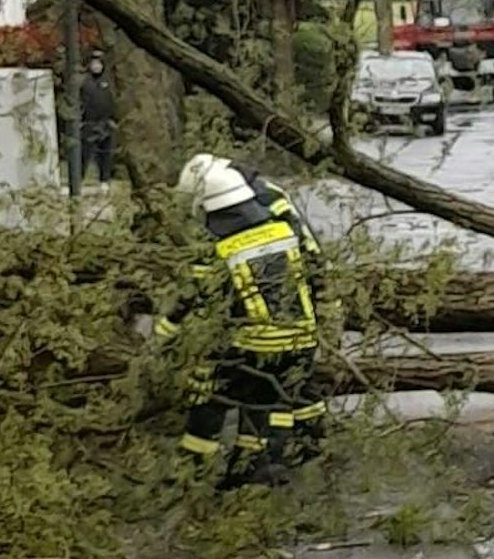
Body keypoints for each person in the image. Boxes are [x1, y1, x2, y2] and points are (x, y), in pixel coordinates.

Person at [156, 155, 325, 489]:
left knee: (207, 389)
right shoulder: (281, 229)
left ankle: (191, 469)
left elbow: (194, 297)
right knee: (267, 401)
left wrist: (165, 333)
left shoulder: (219, 249)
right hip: (300, 337)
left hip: (256, 343)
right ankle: (260, 468)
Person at [80, 51, 116, 184]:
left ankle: (104, 180)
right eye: (93, 63)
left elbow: (114, 100)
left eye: (98, 63)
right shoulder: (84, 82)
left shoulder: (109, 81)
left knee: (105, 154)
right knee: (85, 153)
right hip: (88, 123)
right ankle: (79, 178)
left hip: (105, 122)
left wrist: (112, 118)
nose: (96, 66)